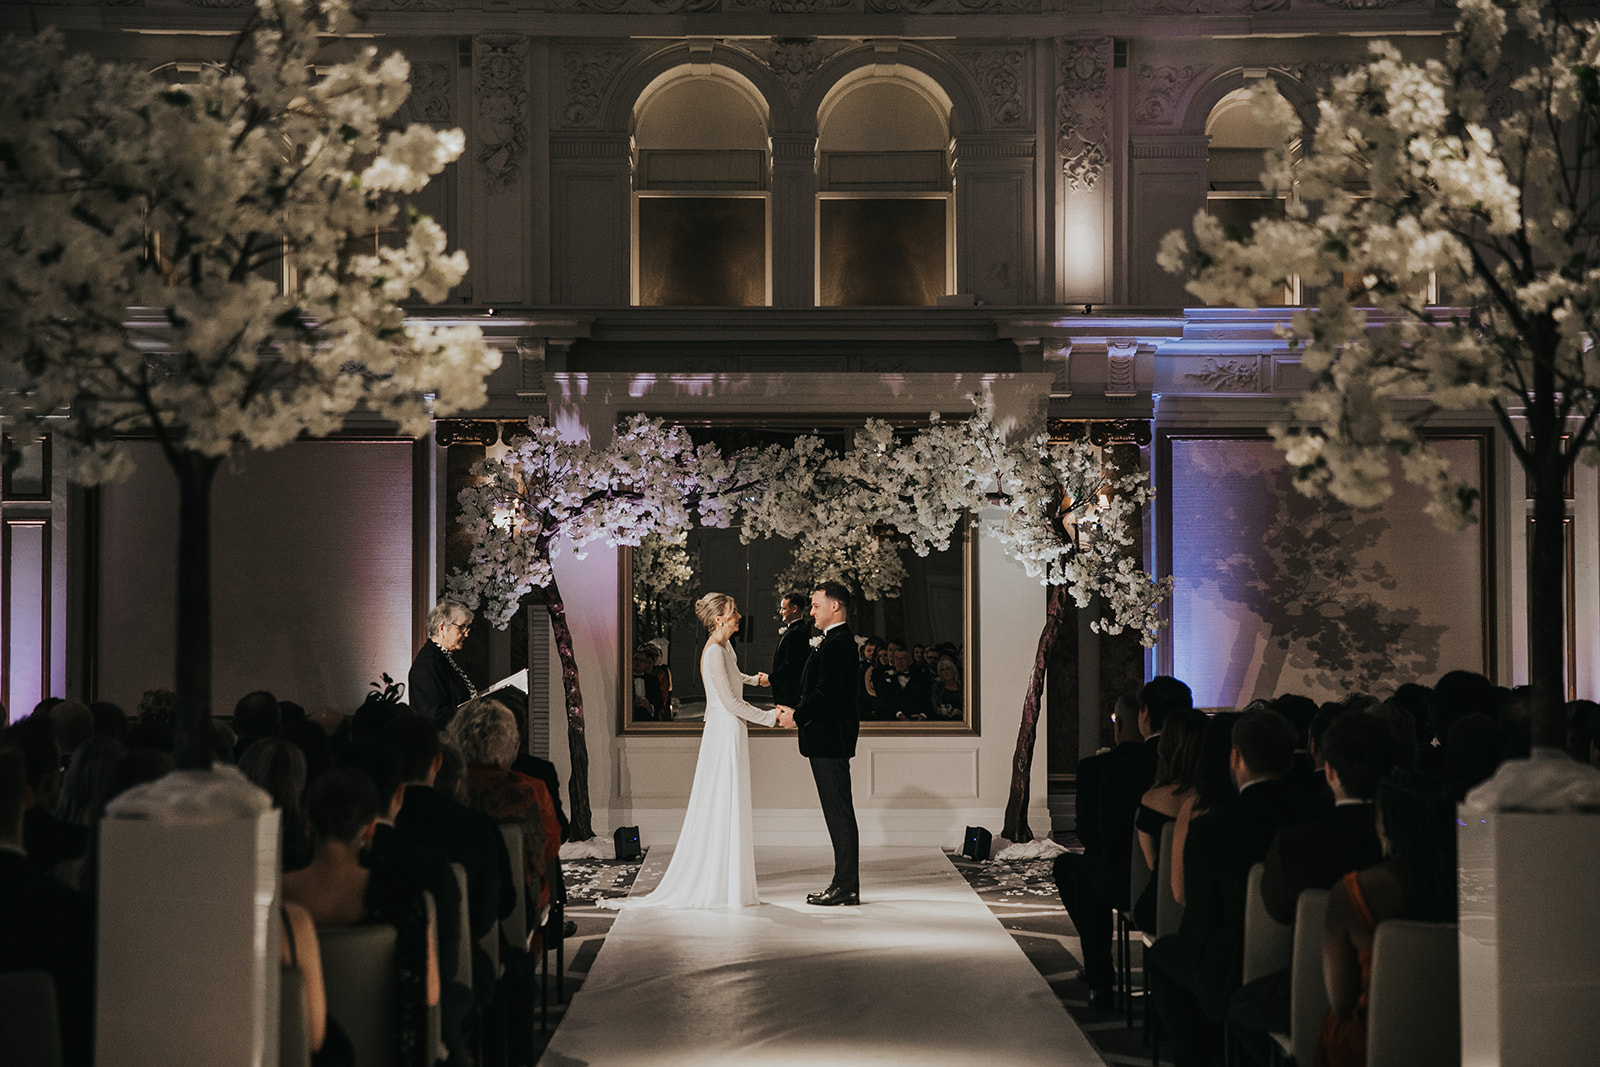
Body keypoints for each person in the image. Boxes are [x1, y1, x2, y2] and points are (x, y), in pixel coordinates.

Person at [615, 593, 788, 909]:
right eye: (734, 612)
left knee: (730, 800)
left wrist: (757, 680)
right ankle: (718, 884)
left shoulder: (725, 647)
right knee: (722, 799)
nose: (739, 616)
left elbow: (733, 679)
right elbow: (730, 702)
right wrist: (770, 718)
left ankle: (729, 882)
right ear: (719, 618)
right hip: (723, 731)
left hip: (732, 729)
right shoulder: (712, 653)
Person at [1317, 769, 1456, 1067]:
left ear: (1386, 823)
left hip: (1368, 1046)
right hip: (1459, 1038)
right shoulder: (1471, 886)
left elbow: (1340, 1001)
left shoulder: (1354, 894)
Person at [1052, 690, 1159, 1011]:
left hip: (1119, 882)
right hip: (1174, 881)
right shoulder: (1179, 764)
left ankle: (1101, 977)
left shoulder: (1097, 768)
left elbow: (1086, 834)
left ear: (1122, 724)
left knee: (1079, 872)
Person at [782, 580, 862, 906]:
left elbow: (825, 694)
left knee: (839, 814)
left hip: (830, 740)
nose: (811, 611)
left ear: (835, 607)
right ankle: (845, 884)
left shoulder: (840, 643)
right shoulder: (834, 641)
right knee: (838, 812)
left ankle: (845, 887)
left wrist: (797, 716)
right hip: (827, 741)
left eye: (815, 605)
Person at [408, 598, 478, 729]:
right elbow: (434, 716)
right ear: (442, 628)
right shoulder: (427, 663)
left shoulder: (442, 658)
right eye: (462, 627)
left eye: (467, 628)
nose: (466, 634)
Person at [769, 591, 813, 709]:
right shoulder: (794, 630)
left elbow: (791, 664)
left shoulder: (798, 632)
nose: (780, 612)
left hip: (789, 692)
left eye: (784, 608)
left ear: (794, 609)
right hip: (785, 692)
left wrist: (771, 679)